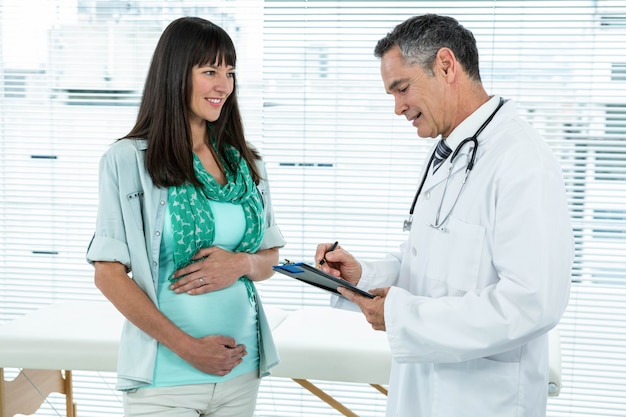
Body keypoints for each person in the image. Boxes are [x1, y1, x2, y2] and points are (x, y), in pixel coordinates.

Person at [315, 14, 573, 417]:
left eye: (402, 89)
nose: (398, 108)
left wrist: (404, 316)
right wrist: (363, 275)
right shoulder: (449, 154)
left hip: (484, 401)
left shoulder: (522, 161)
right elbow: (427, 259)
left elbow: (533, 303)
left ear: (446, 65)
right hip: (422, 392)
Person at [86, 17, 285, 417]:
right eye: (209, 71)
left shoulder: (248, 163)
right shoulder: (128, 161)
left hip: (241, 372)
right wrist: (189, 349)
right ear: (175, 74)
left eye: (229, 72)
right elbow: (108, 273)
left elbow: (269, 258)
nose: (224, 86)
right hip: (166, 378)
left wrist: (241, 263)